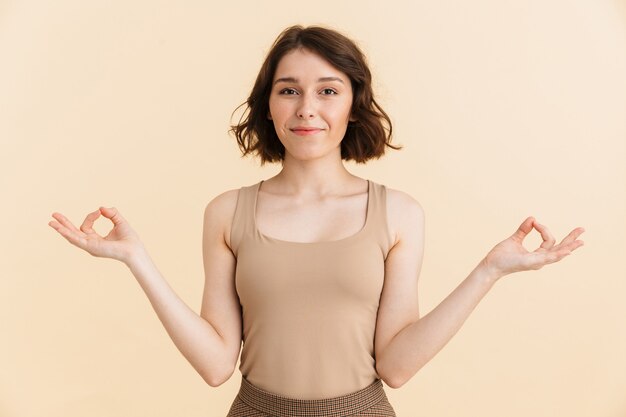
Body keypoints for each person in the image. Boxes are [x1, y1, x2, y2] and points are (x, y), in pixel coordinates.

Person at [48, 25, 585, 417]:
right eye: (289, 90)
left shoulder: (398, 213)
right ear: (270, 106)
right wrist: (135, 258)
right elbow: (216, 366)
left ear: (353, 104)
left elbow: (396, 365)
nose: (307, 108)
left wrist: (488, 271)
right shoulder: (227, 212)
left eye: (328, 90)